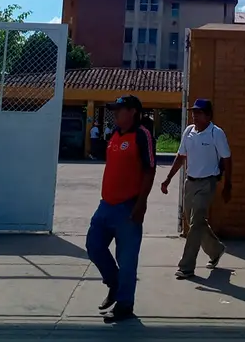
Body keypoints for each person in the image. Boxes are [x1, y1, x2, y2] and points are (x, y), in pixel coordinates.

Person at [86, 95, 156, 322]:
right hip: (106, 204)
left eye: (120, 109)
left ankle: (125, 305)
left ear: (133, 111)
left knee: (127, 260)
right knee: (94, 246)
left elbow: (150, 170)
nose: (115, 113)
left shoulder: (142, 135)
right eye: (114, 109)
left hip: (128, 207)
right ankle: (114, 283)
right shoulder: (115, 133)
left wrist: (141, 203)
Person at [160, 98, 232, 280]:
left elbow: (227, 159)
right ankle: (216, 250)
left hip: (207, 183)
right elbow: (181, 156)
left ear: (208, 115)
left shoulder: (216, 133)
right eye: (193, 112)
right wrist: (168, 178)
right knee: (194, 221)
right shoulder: (189, 132)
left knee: (196, 223)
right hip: (190, 182)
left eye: (199, 113)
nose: (194, 116)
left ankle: (186, 267)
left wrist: (227, 184)